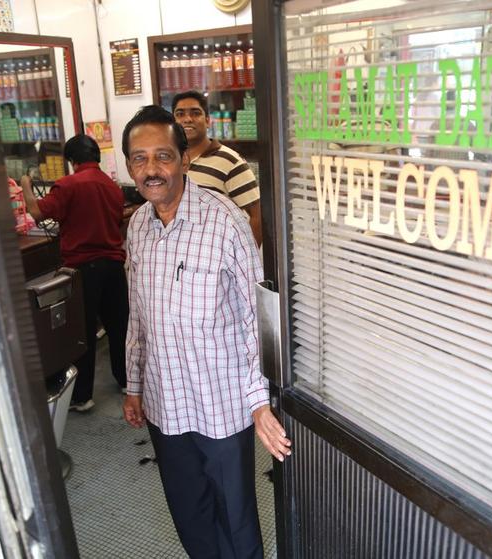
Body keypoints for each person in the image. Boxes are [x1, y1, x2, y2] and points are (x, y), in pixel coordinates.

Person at [120, 105, 291, 558]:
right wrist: (134, 385)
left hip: (220, 402)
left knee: (235, 518)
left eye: (163, 156)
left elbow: (259, 314)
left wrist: (259, 401)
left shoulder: (225, 222)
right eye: (140, 159)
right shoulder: (137, 226)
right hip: (164, 401)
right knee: (189, 512)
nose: (152, 170)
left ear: (184, 160)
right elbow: (137, 314)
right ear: (129, 167)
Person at [20, 134, 128, 412]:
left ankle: (82, 396)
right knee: (118, 327)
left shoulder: (67, 185)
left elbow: (37, 212)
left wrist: (26, 186)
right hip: (114, 266)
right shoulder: (112, 186)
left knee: (83, 332)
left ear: (72, 160)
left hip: (84, 269)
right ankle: (127, 380)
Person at [172, 90, 263, 246]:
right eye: (180, 114)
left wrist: (246, 259)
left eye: (195, 113)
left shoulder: (229, 161)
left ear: (208, 120)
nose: (187, 119)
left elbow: (257, 215)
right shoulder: (170, 162)